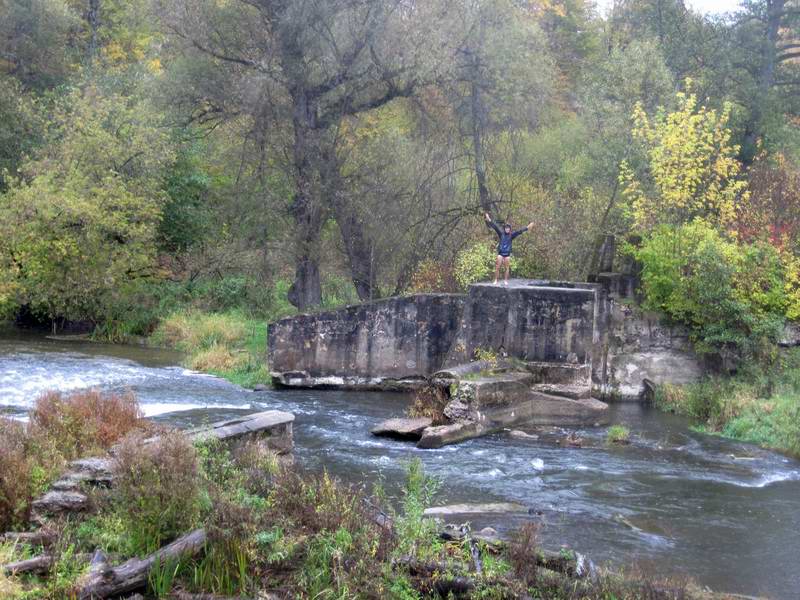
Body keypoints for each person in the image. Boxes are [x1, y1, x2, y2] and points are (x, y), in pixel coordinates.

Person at [485, 212, 533, 285]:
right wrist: (489, 220)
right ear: (504, 229)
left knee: (507, 268)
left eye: (508, 228)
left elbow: (519, 232)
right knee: (497, 267)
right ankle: (495, 280)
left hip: (507, 254)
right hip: (501, 253)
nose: (507, 229)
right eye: (506, 228)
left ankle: (506, 281)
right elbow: (495, 227)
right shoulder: (501, 234)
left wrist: (527, 228)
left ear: (510, 229)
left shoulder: (511, 235)